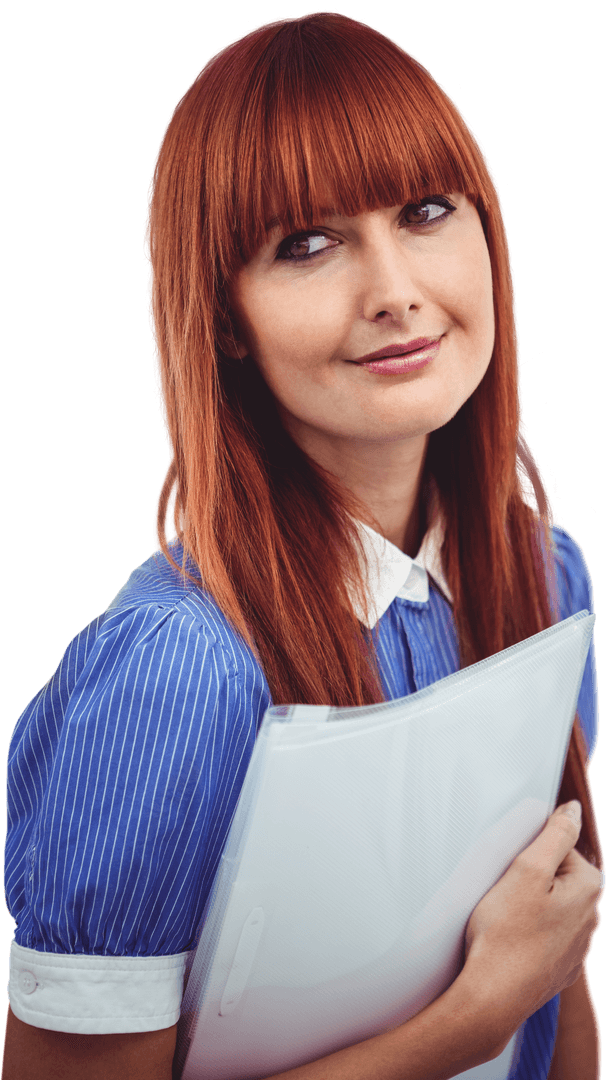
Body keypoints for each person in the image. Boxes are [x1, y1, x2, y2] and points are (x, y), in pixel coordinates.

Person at [1, 11, 604, 1080]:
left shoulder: (543, 575)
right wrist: (473, 1017)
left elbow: (557, 976)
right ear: (225, 318)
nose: (394, 292)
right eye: (307, 245)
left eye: (425, 211)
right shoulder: (173, 674)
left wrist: (531, 995)